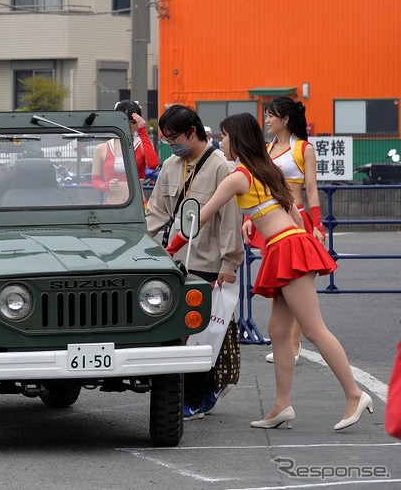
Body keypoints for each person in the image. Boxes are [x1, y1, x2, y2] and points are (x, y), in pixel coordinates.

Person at [165, 112, 373, 431]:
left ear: (237, 139)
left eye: (224, 136)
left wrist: (169, 248)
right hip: (289, 245)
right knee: (278, 331)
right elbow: (291, 213)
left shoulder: (238, 176)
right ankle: (281, 405)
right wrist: (257, 221)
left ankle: (354, 394)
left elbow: (202, 216)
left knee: (314, 329)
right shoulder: (267, 169)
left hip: (286, 248)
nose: (221, 142)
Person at [145, 104, 244, 421]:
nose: (170, 144)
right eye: (165, 139)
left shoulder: (220, 168)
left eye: (174, 138)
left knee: (202, 335)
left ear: (193, 132)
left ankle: (195, 398)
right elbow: (156, 214)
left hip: (208, 264)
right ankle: (198, 395)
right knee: (178, 335)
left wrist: (229, 266)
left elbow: (229, 221)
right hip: (174, 262)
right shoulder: (171, 166)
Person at [245, 97, 325, 365]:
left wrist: (318, 224)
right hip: (271, 221)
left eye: (270, 116)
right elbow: (257, 189)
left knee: (298, 283)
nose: (266, 120)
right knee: (277, 281)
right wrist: (248, 218)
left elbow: (311, 188)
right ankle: (284, 343)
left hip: (298, 219)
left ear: (285, 119)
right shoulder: (266, 149)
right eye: (265, 116)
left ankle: (293, 344)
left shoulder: (304, 148)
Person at [91, 100, 158, 203]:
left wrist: (143, 131)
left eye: (133, 122)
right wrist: (106, 185)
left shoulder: (142, 145)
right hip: (112, 206)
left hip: (139, 207)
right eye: (124, 120)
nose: (128, 125)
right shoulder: (102, 148)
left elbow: (153, 164)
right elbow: (95, 181)